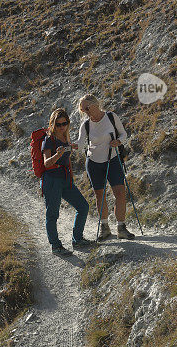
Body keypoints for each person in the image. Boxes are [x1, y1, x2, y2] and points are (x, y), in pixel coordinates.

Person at [77, 94, 135, 240]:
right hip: (94, 162)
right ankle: (105, 228)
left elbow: (123, 134)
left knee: (120, 193)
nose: (85, 111)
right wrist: (66, 144)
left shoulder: (111, 117)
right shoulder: (86, 125)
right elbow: (79, 144)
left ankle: (121, 228)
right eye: (82, 109)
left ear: (95, 104)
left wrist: (119, 142)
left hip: (113, 159)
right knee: (100, 195)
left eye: (86, 108)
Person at [41, 108, 93, 256]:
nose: (62, 126)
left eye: (64, 123)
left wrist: (72, 147)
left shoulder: (65, 137)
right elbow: (46, 163)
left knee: (83, 207)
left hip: (65, 179)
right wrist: (58, 155)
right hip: (52, 180)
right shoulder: (48, 140)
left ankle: (77, 239)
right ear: (52, 124)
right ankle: (56, 246)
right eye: (58, 124)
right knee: (52, 215)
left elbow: (66, 155)